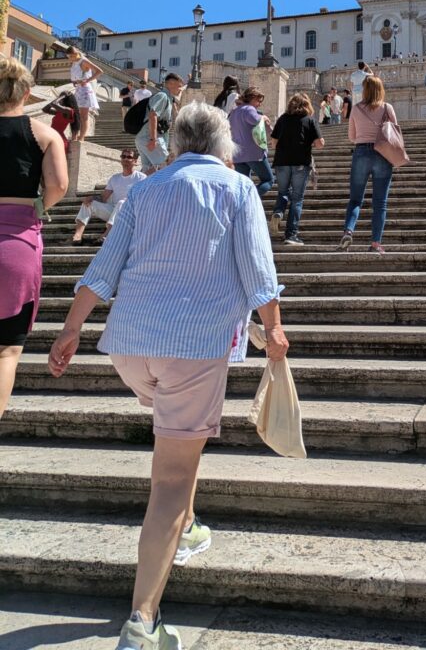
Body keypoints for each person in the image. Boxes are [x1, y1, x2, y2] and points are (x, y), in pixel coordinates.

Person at [47, 100, 287, 650]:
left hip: (131, 346)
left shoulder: (147, 189)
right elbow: (258, 268)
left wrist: (68, 330)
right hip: (194, 347)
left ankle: (191, 523)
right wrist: (273, 329)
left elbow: (104, 267)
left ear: (175, 143)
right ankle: (143, 620)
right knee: (172, 476)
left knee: (182, 441)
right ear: (224, 145)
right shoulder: (237, 189)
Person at [0, 56, 68, 418]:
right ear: (27, 94)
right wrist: (39, 204)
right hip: (17, 240)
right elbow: (58, 185)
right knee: (6, 349)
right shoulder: (43, 134)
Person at [338, 75, 397, 255]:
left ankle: (349, 230)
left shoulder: (356, 109)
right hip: (383, 153)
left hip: (361, 152)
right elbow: (394, 132)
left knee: (355, 199)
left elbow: (351, 137)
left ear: (364, 90)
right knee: (380, 202)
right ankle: (376, 243)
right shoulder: (387, 108)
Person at [269, 92, 325, 245]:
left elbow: (273, 143)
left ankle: (278, 212)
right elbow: (320, 144)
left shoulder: (282, 119)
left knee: (283, 192)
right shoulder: (309, 121)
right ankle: (291, 235)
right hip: (301, 161)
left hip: (281, 162)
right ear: (307, 105)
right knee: (297, 198)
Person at [72, 149, 146, 244]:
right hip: (113, 211)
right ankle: (78, 235)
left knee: (122, 202)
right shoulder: (115, 178)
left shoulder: (141, 178)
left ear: (135, 161)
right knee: (89, 203)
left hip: (131, 213)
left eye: (129, 157)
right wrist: (92, 198)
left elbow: (143, 198)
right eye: (123, 156)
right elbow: (103, 198)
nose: (125, 159)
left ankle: (106, 235)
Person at [135, 73, 184, 174]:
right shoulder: (162, 96)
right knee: (167, 167)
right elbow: (153, 115)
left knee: (148, 171)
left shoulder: (168, 99)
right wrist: (153, 139)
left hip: (144, 138)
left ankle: (137, 188)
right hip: (151, 138)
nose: (180, 90)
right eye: (179, 86)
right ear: (170, 84)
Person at [228, 88, 274, 197]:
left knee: (243, 184)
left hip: (237, 155)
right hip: (254, 153)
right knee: (268, 180)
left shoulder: (233, 112)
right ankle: (250, 197)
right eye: (259, 101)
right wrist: (263, 117)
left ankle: (243, 204)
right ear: (252, 98)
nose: (259, 104)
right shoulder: (249, 109)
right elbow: (255, 120)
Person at [66, 46, 102, 140]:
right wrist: (75, 82)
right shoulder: (74, 62)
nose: (70, 58)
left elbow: (99, 71)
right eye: (69, 56)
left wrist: (87, 80)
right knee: (75, 115)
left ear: (75, 54)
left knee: (83, 116)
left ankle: (81, 137)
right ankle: (75, 136)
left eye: (71, 56)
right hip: (78, 89)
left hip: (85, 89)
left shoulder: (83, 61)